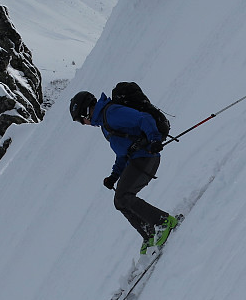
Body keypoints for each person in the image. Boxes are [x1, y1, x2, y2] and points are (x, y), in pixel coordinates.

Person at [70, 90, 179, 254]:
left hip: (146, 156)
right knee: (119, 201)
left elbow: (144, 119)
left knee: (123, 196)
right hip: (137, 159)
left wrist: (155, 139)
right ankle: (149, 234)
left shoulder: (111, 113)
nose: (84, 123)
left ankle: (164, 223)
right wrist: (114, 175)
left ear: (86, 111)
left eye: (81, 119)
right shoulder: (105, 124)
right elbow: (123, 153)